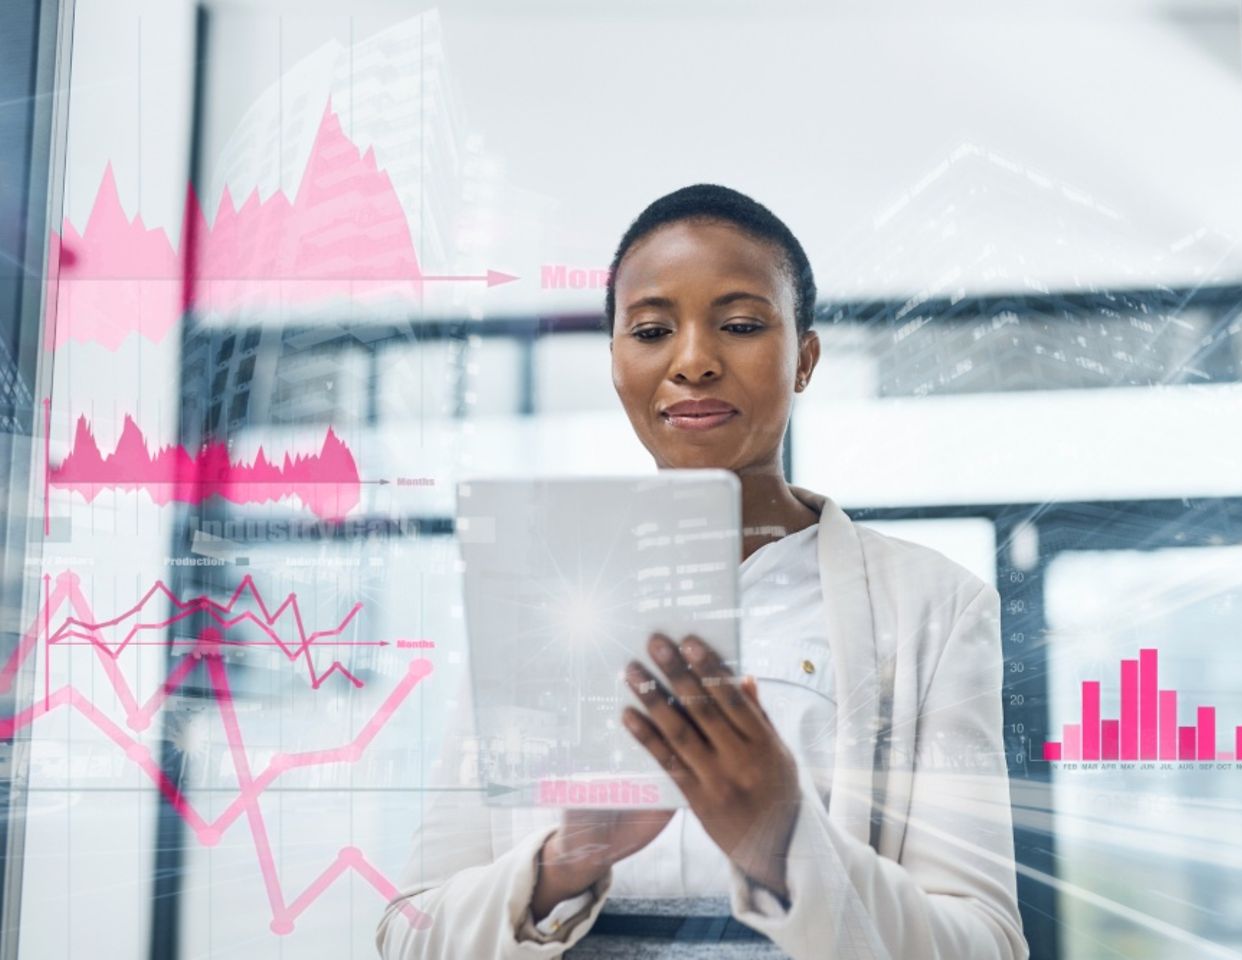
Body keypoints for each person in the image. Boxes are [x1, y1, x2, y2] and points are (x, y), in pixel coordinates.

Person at [375, 184, 1028, 959]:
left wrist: (782, 840)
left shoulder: (933, 606)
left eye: (742, 325)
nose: (692, 362)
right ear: (616, 359)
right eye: (651, 330)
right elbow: (409, 934)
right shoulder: (535, 602)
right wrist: (563, 863)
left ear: (805, 358)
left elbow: (987, 946)